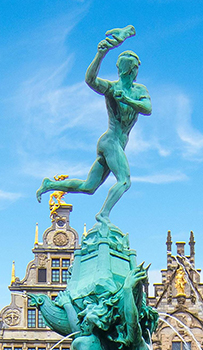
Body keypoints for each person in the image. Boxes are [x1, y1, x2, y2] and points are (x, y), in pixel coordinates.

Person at [36, 27, 152, 225]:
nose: (137, 72)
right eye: (136, 68)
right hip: (111, 141)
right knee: (125, 181)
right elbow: (90, 80)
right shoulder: (112, 88)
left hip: (114, 144)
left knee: (89, 187)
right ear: (131, 70)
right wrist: (101, 53)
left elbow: (147, 108)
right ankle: (103, 214)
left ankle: (50, 184)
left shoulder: (138, 90)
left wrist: (126, 99)